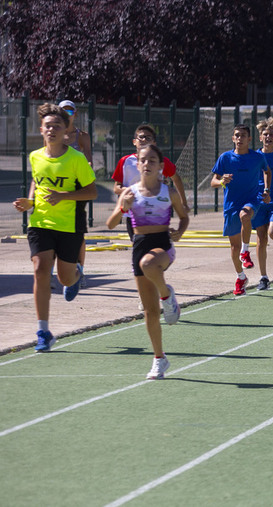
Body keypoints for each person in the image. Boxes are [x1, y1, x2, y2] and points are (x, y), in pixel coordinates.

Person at [12, 103, 98, 352]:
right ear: (41, 129)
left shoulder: (76, 159)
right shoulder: (35, 156)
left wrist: (64, 195)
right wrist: (30, 201)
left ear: (65, 131)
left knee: (64, 277)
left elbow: (91, 192)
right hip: (40, 222)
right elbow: (36, 184)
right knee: (40, 269)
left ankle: (77, 275)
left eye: (56, 126)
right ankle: (43, 331)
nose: (51, 130)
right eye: (47, 126)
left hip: (68, 225)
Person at [106, 144, 188, 378]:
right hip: (139, 245)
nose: (147, 164)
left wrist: (180, 232)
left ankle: (167, 295)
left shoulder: (168, 192)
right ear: (137, 164)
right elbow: (110, 224)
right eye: (143, 160)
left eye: (152, 160)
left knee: (149, 265)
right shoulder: (129, 193)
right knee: (151, 312)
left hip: (163, 246)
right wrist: (124, 208)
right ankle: (159, 359)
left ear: (161, 166)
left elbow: (184, 217)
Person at [210, 124, 271, 296]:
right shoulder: (225, 158)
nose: (239, 138)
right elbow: (213, 181)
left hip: (252, 200)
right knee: (233, 249)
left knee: (245, 215)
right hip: (231, 204)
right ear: (232, 138)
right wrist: (222, 180)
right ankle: (240, 277)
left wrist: (266, 190)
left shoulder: (257, 157)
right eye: (237, 135)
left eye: (243, 135)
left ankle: (246, 251)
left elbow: (267, 171)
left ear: (249, 139)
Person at [112, 124, 189, 241]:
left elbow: (176, 178)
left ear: (154, 143)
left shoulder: (161, 162)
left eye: (148, 138)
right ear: (134, 141)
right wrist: (137, 191)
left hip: (157, 211)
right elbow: (117, 188)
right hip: (133, 213)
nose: (144, 140)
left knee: (156, 248)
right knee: (140, 248)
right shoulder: (125, 161)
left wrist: (183, 202)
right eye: (141, 137)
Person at [249, 118, 273, 291]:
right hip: (259, 201)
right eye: (265, 134)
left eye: (271, 134)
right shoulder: (254, 156)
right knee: (261, 238)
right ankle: (263, 278)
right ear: (260, 137)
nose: (268, 137)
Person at [59, 100, 94, 275]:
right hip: (59, 186)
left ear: (75, 114)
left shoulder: (82, 136)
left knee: (78, 230)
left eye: (70, 111)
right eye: (63, 111)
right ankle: (51, 269)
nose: (67, 114)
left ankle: (79, 268)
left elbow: (89, 160)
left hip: (77, 187)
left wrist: (82, 166)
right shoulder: (54, 135)